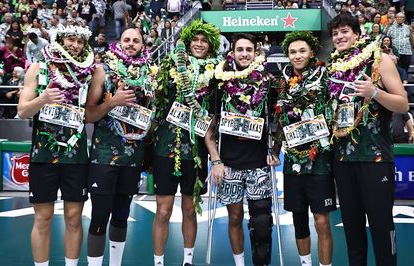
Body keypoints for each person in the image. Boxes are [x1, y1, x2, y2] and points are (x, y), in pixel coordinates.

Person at [327, 13, 408, 266]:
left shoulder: (378, 60)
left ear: (357, 34)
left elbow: (403, 103)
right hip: (342, 158)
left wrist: (374, 92)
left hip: (375, 158)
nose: (339, 37)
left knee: (382, 226)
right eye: (335, 34)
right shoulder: (333, 67)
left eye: (344, 32)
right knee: (352, 229)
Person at [17, 23, 95, 266]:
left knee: (74, 217)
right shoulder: (38, 69)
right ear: (58, 40)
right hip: (43, 155)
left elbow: (91, 113)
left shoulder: (89, 74)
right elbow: (22, 111)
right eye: (70, 39)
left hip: (76, 156)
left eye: (79, 41)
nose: (74, 45)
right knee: (43, 218)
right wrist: (44, 98)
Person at [206, 33, 278, 266]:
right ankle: (239, 263)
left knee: (261, 220)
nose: (244, 53)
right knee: (235, 217)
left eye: (249, 49)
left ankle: (261, 262)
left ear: (256, 52)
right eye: (240, 49)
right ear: (233, 52)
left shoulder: (267, 81)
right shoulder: (220, 81)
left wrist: (275, 149)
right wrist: (216, 160)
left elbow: (279, 120)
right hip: (229, 165)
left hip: (258, 163)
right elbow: (209, 126)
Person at [152, 19, 220, 266]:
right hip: (166, 150)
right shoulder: (170, 66)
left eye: (204, 41)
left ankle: (188, 260)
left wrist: (215, 156)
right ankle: (158, 262)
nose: (199, 44)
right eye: (195, 40)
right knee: (163, 211)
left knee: (190, 211)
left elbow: (212, 118)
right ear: (188, 43)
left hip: (196, 151)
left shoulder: (215, 76)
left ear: (210, 47)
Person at [85, 27, 154, 266]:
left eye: (136, 40)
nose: (131, 44)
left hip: (133, 159)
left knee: (122, 215)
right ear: (119, 42)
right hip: (104, 158)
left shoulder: (151, 74)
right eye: (127, 39)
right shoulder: (102, 71)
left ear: (142, 45)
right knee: (99, 216)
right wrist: (113, 102)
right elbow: (88, 115)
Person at [274, 31, 336, 266]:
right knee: (298, 219)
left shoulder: (325, 77)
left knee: (321, 220)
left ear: (312, 52)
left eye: (302, 51)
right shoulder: (281, 82)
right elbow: (278, 120)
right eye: (292, 52)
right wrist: (274, 148)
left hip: (319, 160)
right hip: (292, 161)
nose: (297, 56)